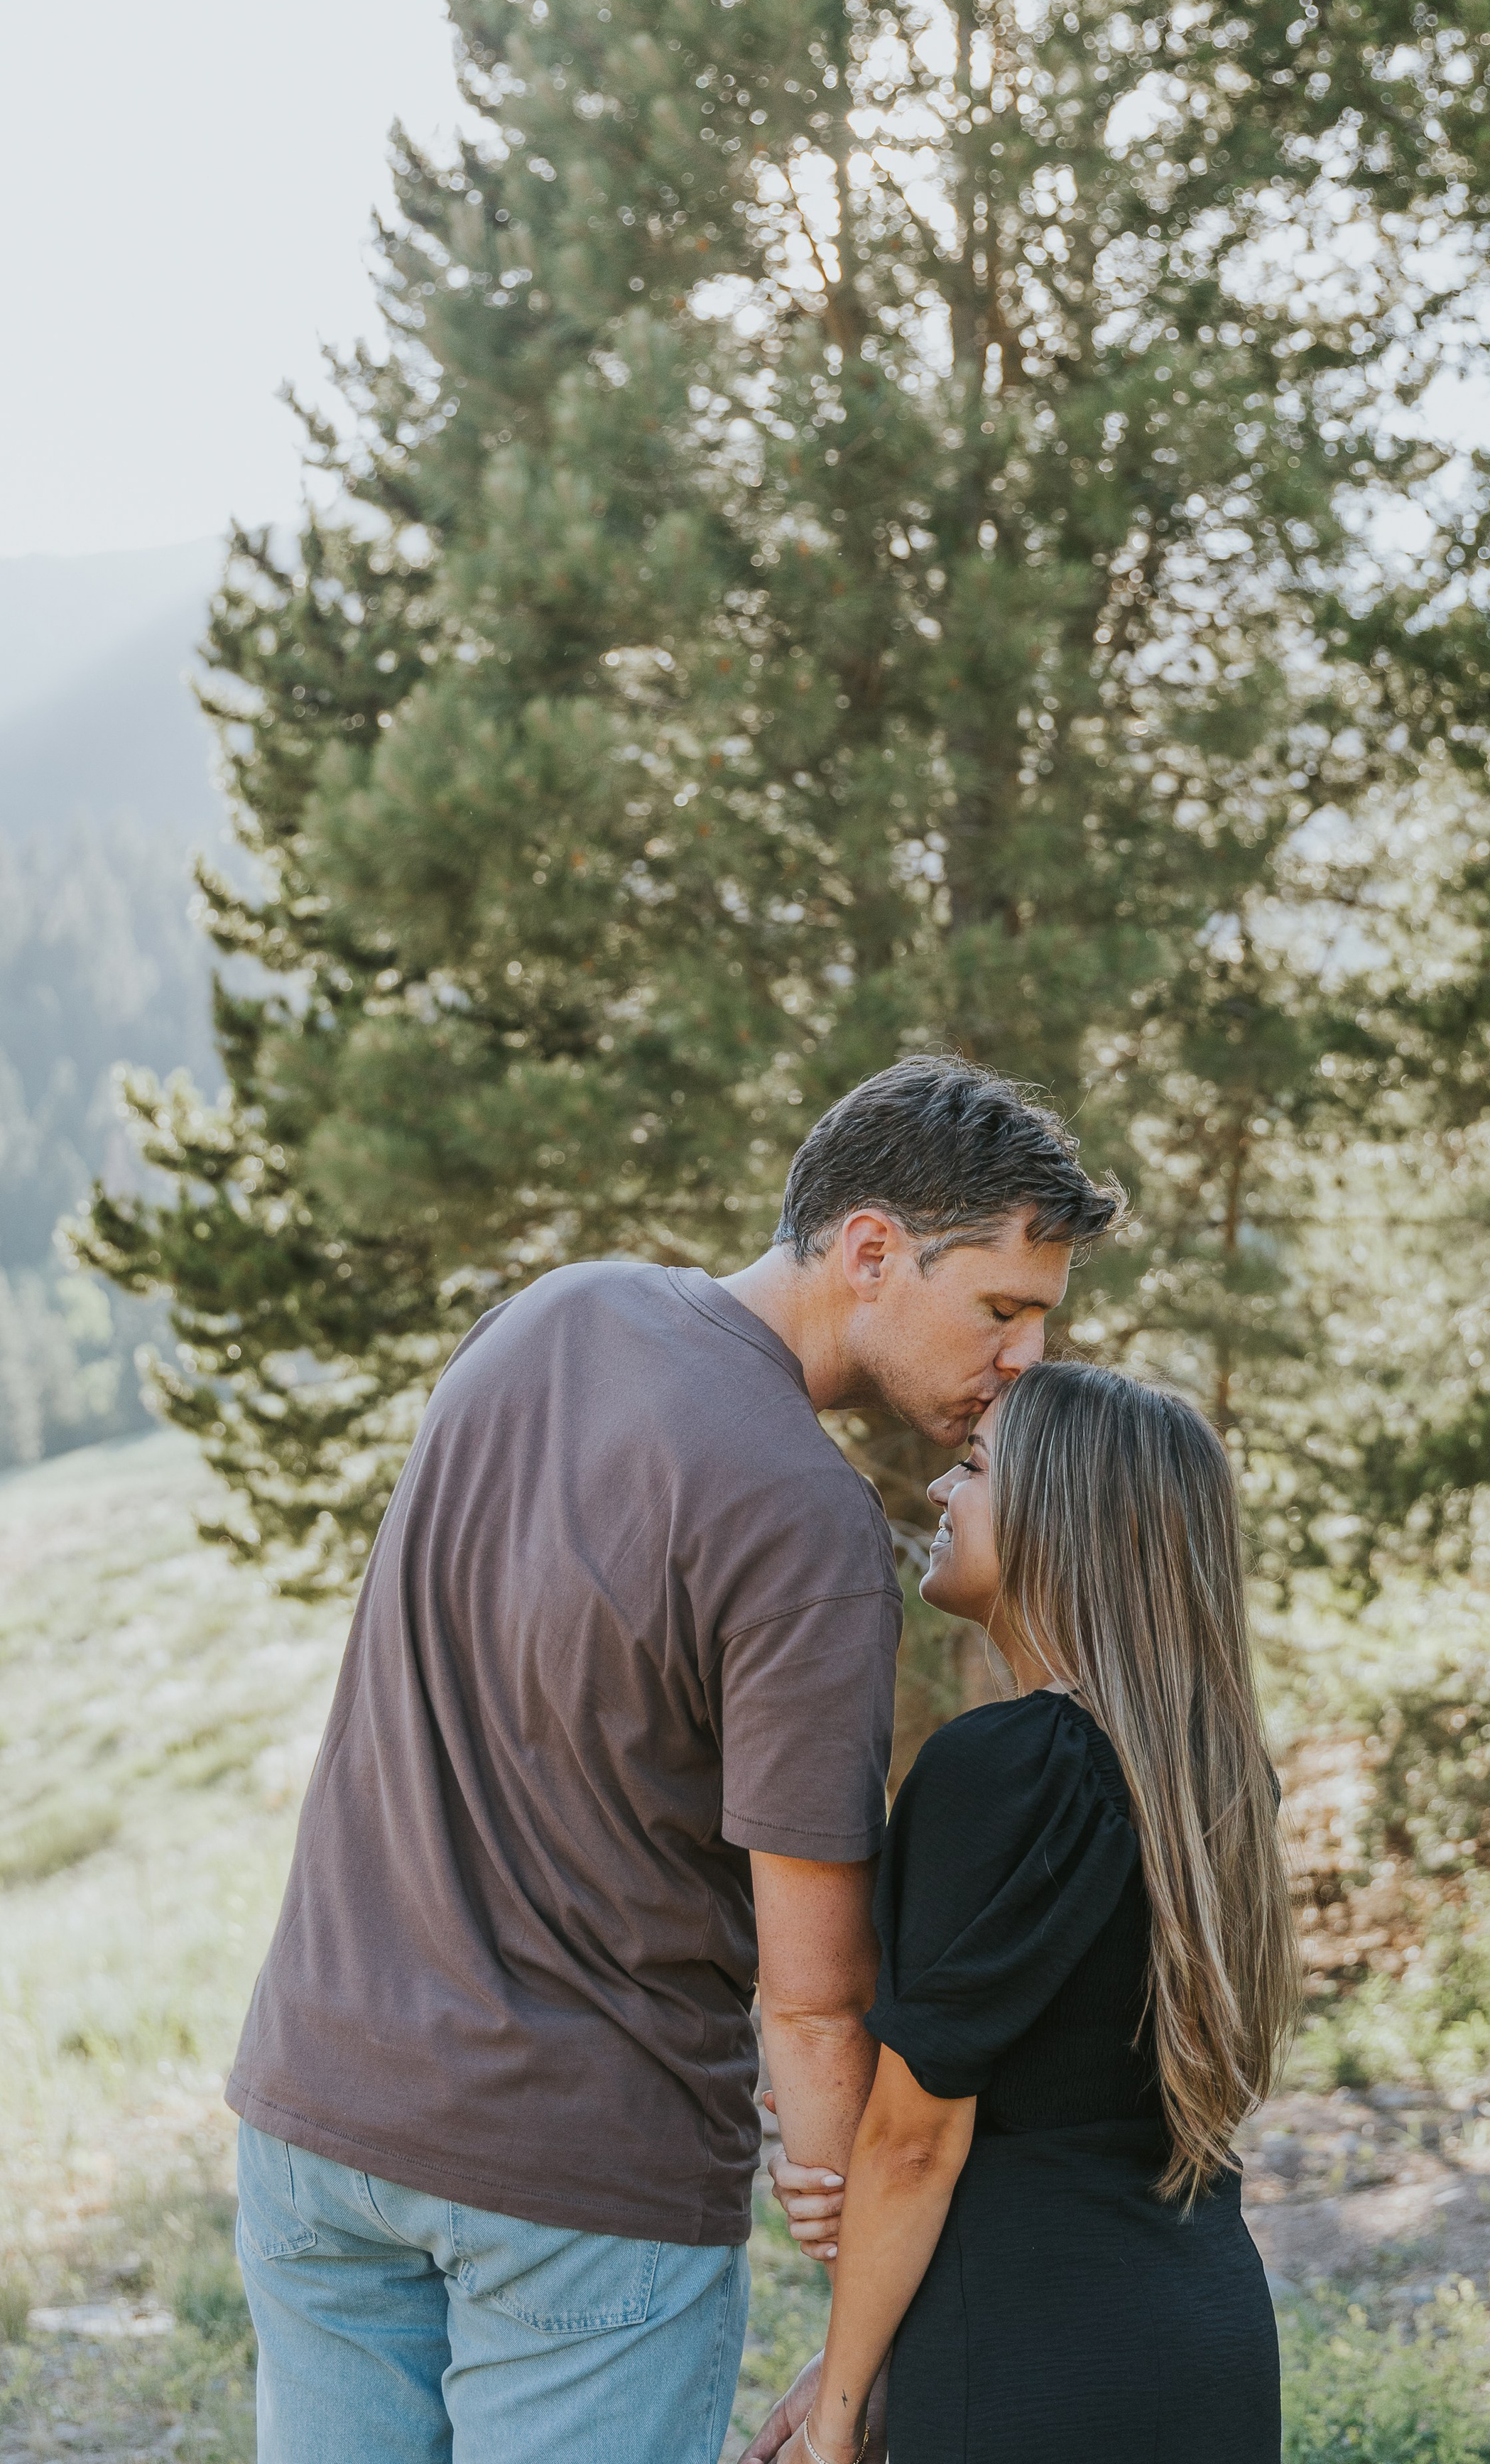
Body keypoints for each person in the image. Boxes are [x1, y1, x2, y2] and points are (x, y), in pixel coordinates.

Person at [227, 1055, 1122, 2464]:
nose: (1024, 1361)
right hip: (575, 2187)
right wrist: (861, 2342)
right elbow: (814, 2001)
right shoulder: (806, 1521)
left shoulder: (547, 1313)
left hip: (314, 2118)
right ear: (871, 1251)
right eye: (1002, 1310)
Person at [745, 1359, 1299, 2464]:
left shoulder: (1006, 1767)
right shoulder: (1211, 1779)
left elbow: (914, 2142)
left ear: (1063, 1519)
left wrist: (839, 2418)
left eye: (973, 1468)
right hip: (1202, 2335)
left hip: (1032, 2362)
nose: (942, 1496)